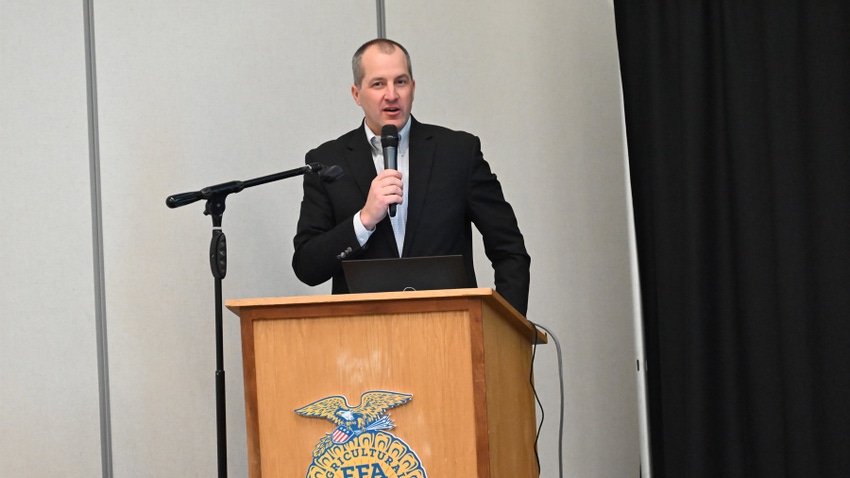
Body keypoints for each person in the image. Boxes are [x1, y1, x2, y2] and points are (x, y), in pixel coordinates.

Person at [292, 38, 531, 315]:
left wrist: (506, 328)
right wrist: (364, 220)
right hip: (363, 341)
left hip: (451, 335)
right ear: (356, 94)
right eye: (378, 83)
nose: (391, 94)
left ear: (413, 89)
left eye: (401, 82)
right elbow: (307, 266)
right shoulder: (327, 162)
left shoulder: (458, 153)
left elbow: (509, 250)